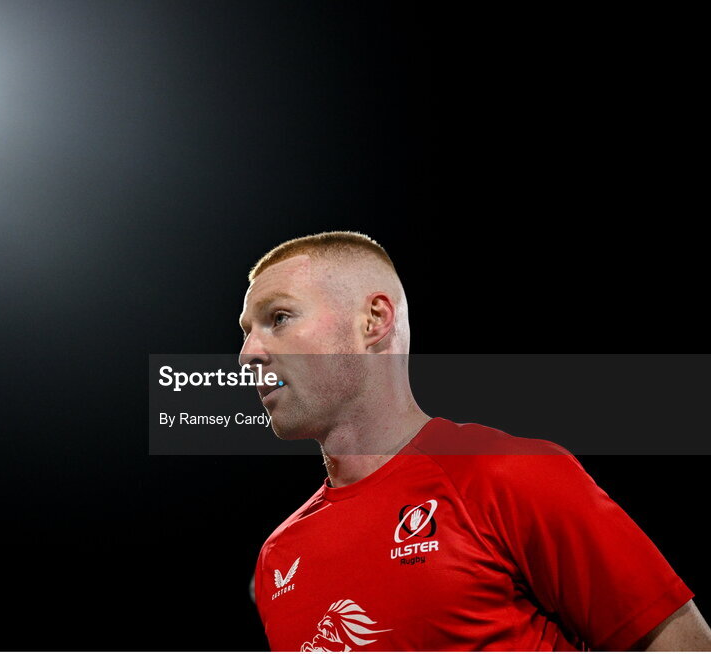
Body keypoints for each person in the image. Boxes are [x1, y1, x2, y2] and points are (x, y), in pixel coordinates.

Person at [240, 231, 711, 651]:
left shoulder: (507, 471)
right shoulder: (277, 558)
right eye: (245, 334)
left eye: (278, 318)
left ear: (374, 320)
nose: (248, 354)